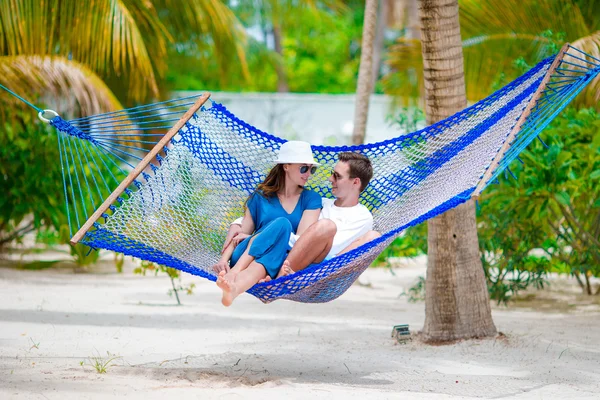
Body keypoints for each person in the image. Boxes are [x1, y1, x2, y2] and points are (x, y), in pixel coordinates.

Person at [222, 152, 381, 282]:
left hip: (322, 269)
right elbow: (282, 216)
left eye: (337, 176)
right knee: (324, 226)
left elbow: (336, 252)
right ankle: (278, 280)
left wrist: (257, 236)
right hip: (289, 258)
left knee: (373, 236)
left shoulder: (362, 217)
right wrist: (237, 226)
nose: (330, 179)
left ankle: (279, 281)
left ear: (355, 182)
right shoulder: (321, 203)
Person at [212, 141, 322, 306]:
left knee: (280, 230)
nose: (308, 174)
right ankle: (234, 271)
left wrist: (266, 235)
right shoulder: (260, 197)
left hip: (277, 259)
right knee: (283, 224)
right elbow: (240, 236)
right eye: (303, 168)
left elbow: (300, 241)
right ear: (286, 166)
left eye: (311, 169)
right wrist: (223, 259)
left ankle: (234, 289)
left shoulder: (311, 199)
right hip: (245, 256)